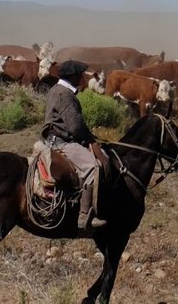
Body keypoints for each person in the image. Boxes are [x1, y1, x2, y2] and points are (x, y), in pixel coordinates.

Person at [42, 59, 105, 228]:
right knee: (93, 167)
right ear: (74, 76)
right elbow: (75, 126)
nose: (84, 78)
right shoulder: (65, 94)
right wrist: (91, 141)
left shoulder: (57, 89)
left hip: (55, 139)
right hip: (63, 143)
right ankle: (84, 216)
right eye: (82, 75)